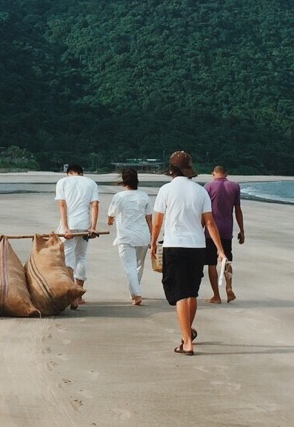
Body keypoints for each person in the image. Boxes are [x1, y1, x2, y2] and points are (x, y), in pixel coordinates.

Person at [150, 151, 226, 355]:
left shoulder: (165, 190)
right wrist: (220, 249)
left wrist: (153, 243)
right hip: (197, 247)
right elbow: (210, 222)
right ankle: (187, 333)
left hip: (174, 245)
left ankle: (187, 342)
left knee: (180, 294)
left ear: (172, 169)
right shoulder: (200, 191)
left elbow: (158, 221)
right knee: (191, 292)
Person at [55, 163, 100, 307]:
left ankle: (72, 296)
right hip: (85, 226)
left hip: (70, 225)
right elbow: (94, 205)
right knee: (81, 256)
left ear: (69, 173)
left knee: (68, 257)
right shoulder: (91, 183)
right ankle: (78, 295)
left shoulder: (62, 182)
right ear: (81, 173)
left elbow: (63, 205)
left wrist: (66, 228)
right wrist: (93, 227)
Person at [107, 167, 152, 305]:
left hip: (126, 236)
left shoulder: (119, 197)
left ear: (123, 181)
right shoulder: (144, 196)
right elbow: (149, 219)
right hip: (143, 236)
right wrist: (152, 237)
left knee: (130, 267)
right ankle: (134, 291)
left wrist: (110, 220)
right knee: (139, 266)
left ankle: (136, 294)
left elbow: (110, 215)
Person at [204, 165, 245, 303]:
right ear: (226, 173)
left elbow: (204, 212)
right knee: (226, 259)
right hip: (227, 229)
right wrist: (242, 230)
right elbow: (238, 210)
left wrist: (200, 228)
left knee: (211, 263)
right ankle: (229, 287)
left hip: (211, 231)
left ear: (214, 173)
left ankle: (216, 295)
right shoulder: (234, 186)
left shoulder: (208, 187)